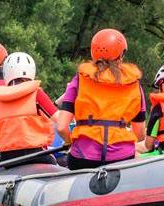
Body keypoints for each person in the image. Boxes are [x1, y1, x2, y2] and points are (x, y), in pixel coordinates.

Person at [56, 28, 146, 170]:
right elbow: (140, 135)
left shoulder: (80, 80)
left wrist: (70, 141)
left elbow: (61, 127)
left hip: (83, 157)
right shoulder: (134, 84)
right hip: (122, 157)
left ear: (93, 53)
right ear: (121, 55)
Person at [0, 52, 58, 167]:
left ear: (6, 74)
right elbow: (61, 121)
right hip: (37, 156)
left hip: (9, 160)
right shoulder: (37, 94)